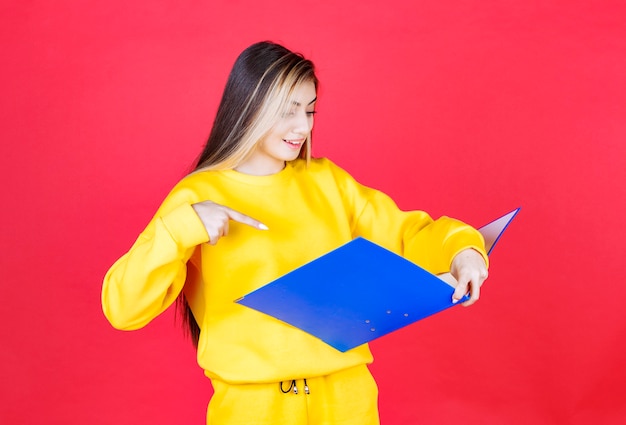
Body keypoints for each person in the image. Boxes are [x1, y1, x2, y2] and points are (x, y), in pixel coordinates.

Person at [102, 41, 489, 425]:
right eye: (288, 112)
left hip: (347, 399)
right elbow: (124, 309)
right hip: (253, 408)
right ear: (248, 108)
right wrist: (182, 228)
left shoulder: (327, 181)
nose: (303, 127)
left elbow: (408, 233)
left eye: (310, 110)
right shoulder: (197, 197)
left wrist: (464, 250)